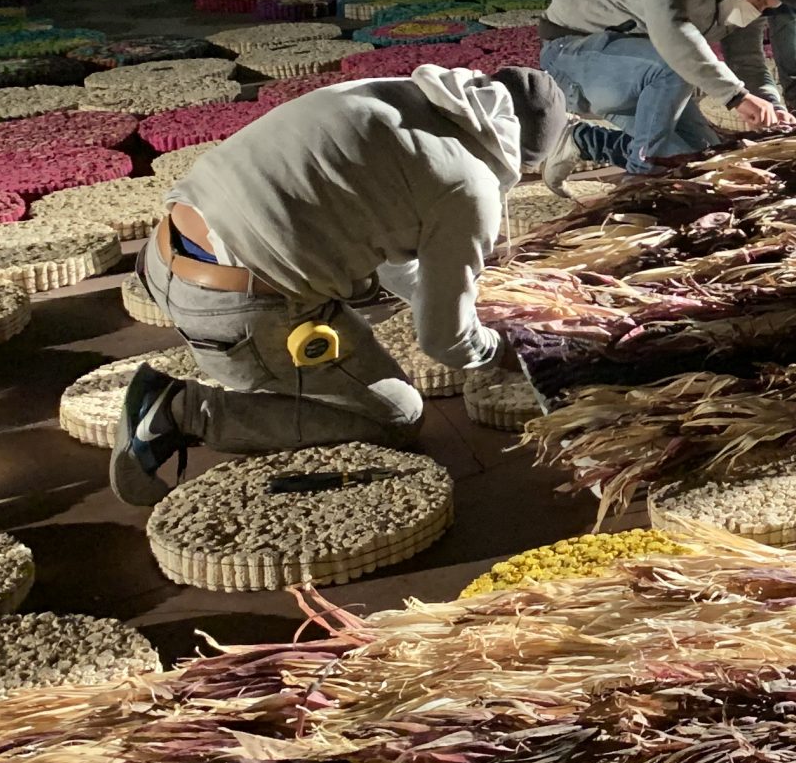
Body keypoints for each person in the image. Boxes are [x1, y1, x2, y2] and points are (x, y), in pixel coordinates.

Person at [113, 64, 569, 507]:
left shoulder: (393, 91)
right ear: (522, 155)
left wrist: (452, 296)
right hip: (231, 308)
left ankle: (248, 367)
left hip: (162, 256)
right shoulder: (470, 186)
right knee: (396, 416)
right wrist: (504, 350)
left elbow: (389, 239)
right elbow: (444, 342)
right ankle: (181, 411)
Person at [535, 0, 796, 183]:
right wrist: (736, 96)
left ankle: (581, 140)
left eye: (767, 8)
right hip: (572, 56)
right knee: (673, 70)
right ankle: (640, 180)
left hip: (642, 73)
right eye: (759, 1)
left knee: (703, 162)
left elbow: (747, 61)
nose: (757, 11)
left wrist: (773, 108)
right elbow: (672, 33)